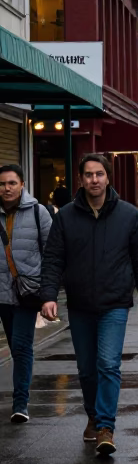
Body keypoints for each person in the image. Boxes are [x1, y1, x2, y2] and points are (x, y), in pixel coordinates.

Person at [40, 153, 138, 456]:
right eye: (89, 174)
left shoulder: (128, 215)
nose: (94, 180)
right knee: (87, 368)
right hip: (79, 304)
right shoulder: (65, 216)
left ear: (108, 178)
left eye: (99, 174)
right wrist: (48, 295)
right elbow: (53, 258)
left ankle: (106, 427)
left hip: (115, 303)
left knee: (108, 364)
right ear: (81, 179)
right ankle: (93, 415)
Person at [0, 163, 53, 423]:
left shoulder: (38, 212)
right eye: (2, 184)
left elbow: (52, 253)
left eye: (12, 183)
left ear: (22, 184)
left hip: (26, 293)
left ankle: (20, 403)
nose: (6, 188)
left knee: (21, 347)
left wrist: (49, 292)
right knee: (13, 345)